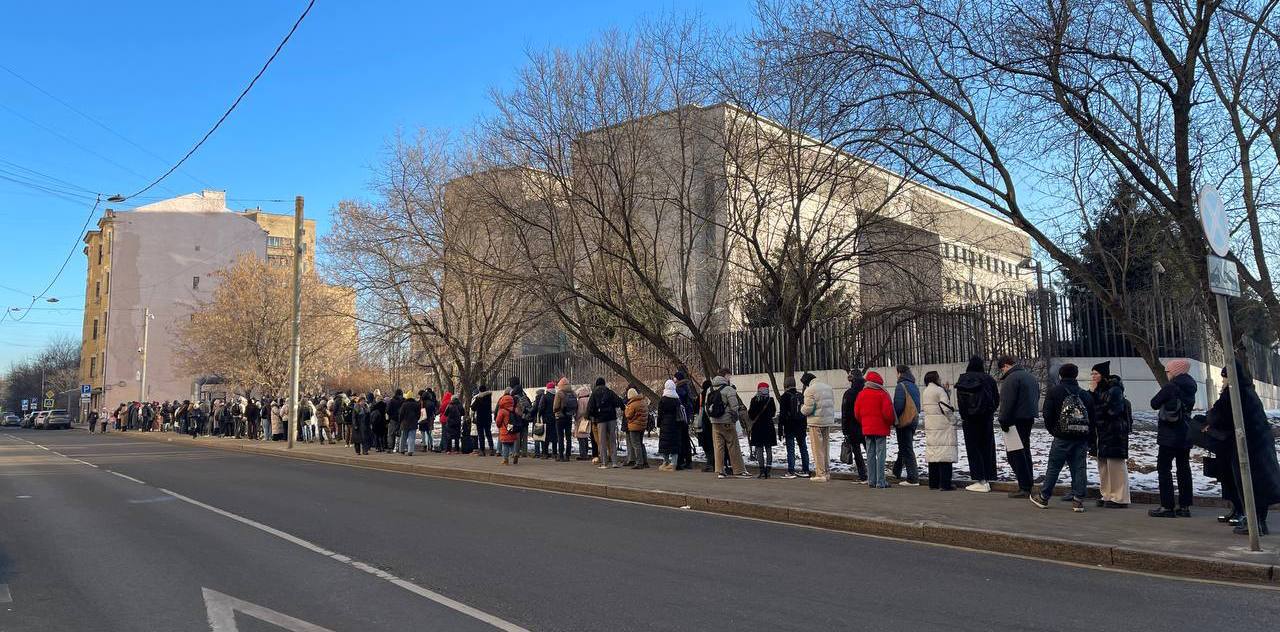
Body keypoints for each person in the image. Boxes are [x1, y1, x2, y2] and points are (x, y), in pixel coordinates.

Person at [1210, 362, 1279, 536]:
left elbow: (1218, 416)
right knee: (1259, 485)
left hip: (1246, 445)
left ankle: (1254, 524)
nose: (1223, 380)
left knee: (1247, 484)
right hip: (1261, 443)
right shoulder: (1249, 390)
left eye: (1224, 377)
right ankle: (1258, 523)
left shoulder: (1233, 393)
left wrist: (1208, 418)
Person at [1031, 364, 1093, 512]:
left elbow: (1047, 414)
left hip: (1061, 436)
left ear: (1060, 375)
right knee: (1079, 467)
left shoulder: (1055, 391)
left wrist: (1054, 430)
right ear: (1076, 375)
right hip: (1081, 436)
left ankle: (1044, 497)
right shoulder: (1084, 394)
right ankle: (1078, 500)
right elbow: (1092, 417)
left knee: (1054, 466)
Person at [1149, 359, 1197, 518]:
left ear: (1175, 372)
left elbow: (1154, 403)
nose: (1167, 374)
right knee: (1184, 469)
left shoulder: (1171, 387)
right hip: (1185, 433)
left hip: (1169, 434)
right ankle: (1185, 506)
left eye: (1168, 371)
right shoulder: (1191, 386)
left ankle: (1167, 506)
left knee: (1164, 468)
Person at [997, 355, 1040, 498]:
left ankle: (1024, 486)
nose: (1002, 372)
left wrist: (1003, 420)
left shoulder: (1011, 379)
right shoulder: (1030, 377)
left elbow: (1007, 402)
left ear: (1006, 366)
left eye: (1002, 369)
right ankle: (1028, 483)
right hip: (1028, 418)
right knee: (1024, 451)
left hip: (1014, 421)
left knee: (1015, 454)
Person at [1090, 361, 1131, 508]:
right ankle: (1107, 494)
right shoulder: (1099, 389)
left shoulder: (1114, 390)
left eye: (1096, 373)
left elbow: (1111, 410)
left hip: (1114, 432)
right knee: (1104, 465)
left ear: (1103, 375)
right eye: (1092, 373)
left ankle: (1120, 498)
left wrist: (1094, 394)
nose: (1093, 376)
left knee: (1115, 466)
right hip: (1101, 433)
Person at [955, 356, 999, 492]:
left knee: (973, 449)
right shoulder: (989, 379)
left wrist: (965, 415)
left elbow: (960, 401)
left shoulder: (962, 379)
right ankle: (990, 475)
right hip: (986, 418)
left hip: (969, 420)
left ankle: (979, 478)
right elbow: (996, 399)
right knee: (988, 447)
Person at [855, 371, 895, 488]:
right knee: (881, 455)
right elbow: (888, 414)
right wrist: (890, 423)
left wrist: (864, 422)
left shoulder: (861, 394)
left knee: (870, 454)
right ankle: (880, 481)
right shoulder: (883, 394)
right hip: (880, 429)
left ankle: (871, 480)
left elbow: (857, 413)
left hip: (867, 428)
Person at [706, 373, 750, 479]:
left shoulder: (709, 389)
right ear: (725, 378)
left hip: (714, 422)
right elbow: (734, 407)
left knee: (718, 447)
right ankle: (738, 470)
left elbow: (706, 406)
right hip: (727, 422)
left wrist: (711, 419)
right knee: (733, 445)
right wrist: (734, 419)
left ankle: (720, 471)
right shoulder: (729, 389)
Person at [921, 371, 957, 491]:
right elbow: (945, 408)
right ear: (935, 379)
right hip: (943, 426)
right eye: (939, 378)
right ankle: (945, 484)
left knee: (934, 454)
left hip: (931, 425)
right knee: (945, 454)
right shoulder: (939, 390)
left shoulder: (926, 391)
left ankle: (933, 483)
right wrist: (953, 420)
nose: (940, 379)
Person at [801, 372, 835, 482]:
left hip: (815, 422)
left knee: (817, 449)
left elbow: (808, 409)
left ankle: (820, 474)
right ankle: (827, 472)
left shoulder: (810, 390)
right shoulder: (828, 388)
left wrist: (801, 408)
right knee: (825, 448)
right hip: (827, 420)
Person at [891, 365, 922, 486]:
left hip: (904, 421)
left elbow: (898, 406)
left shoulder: (901, 386)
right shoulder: (914, 385)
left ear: (899, 373)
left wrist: (894, 418)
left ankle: (913, 478)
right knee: (904, 446)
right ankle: (896, 471)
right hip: (913, 420)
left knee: (906, 448)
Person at [776, 376, 810, 479]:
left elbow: (782, 415)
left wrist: (780, 430)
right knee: (803, 448)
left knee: (790, 449)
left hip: (789, 426)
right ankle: (806, 470)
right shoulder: (801, 395)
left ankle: (791, 471)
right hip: (801, 425)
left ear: (785, 385)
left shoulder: (784, 397)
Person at [587, 377, 623, 468]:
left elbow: (590, 408)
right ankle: (614, 462)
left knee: (602, 441)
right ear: (604, 384)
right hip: (611, 418)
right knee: (612, 440)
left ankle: (604, 463)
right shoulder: (610, 392)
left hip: (601, 420)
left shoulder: (594, 394)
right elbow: (619, 402)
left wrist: (593, 416)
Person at [840, 369, 867, 482]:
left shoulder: (849, 393)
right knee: (870, 450)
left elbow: (845, 413)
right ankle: (875, 472)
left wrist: (844, 429)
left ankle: (863, 475)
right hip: (866, 425)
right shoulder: (866, 392)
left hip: (852, 427)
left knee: (857, 451)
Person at [747, 382, 778, 479]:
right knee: (768, 449)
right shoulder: (770, 400)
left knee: (759, 449)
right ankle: (768, 471)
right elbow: (773, 413)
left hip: (757, 428)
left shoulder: (754, 400)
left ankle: (761, 470)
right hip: (768, 427)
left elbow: (751, 415)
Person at [656, 379, 686, 471]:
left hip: (665, 424)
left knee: (665, 444)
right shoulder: (677, 399)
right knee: (674, 444)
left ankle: (665, 462)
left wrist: (659, 424)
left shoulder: (663, 399)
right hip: (676, 424)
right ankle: (674, 463)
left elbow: (660, 413)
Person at [673, 369, 696, 469]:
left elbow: (679, 401)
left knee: (682, 439)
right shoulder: (687, 387)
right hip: (686, 416)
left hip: (682, 416)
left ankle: (682, 460)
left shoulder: (680, 389)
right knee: (685, 439)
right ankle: (688, 460)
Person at [551, 378, 577, 462]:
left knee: (560, 437)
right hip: (569, 417)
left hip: (560, 417)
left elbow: (555, 407)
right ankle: (568, 455)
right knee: (568, 437)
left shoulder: (559, 393)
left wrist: (556, 411)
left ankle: (561, 455)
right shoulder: (572, 393)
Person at [624, 387, 650, 469]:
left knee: (636, 444)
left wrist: (626, 409)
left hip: (634, 426)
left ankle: (639, 462)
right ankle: (645, 461)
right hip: (642, 426)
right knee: (641, 444)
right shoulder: (642, 402)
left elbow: (628, 415)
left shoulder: (632, 404)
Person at [496, 390, 519, 465]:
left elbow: (498, 421)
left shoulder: (502, 411)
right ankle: (514, 453)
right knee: (511, 444)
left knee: (505, 445)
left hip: (505, 430)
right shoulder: (514, 409)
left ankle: (505, 460)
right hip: (512, 430)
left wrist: (499, 426)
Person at [471, 386, 495, 457]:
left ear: (480, 390)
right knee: (488, 434)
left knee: (481, 435)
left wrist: (477, 400)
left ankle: (482, 450)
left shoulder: (478, 398)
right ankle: (491, 449)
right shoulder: (489, 397)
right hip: (488, 418)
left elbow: (473, 407)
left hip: (480, 419)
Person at [539, 381, 559, 459]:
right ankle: (554, 453)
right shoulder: (557, 395)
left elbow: (541, 407)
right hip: (555, 418)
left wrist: (540, 414)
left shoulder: (545, 396)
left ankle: (545, 453)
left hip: (546, 419)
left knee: (546, 436)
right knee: (554, 436)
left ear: (547, 388)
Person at [574, 384, 593, 460]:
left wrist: (576, 417)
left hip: (581, 421)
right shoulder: (589, 399)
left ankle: (583, 454)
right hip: (588, 420)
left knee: (581, 438)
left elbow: (580, 412)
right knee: (585, 437)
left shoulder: (581, 401)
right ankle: (586, 453)